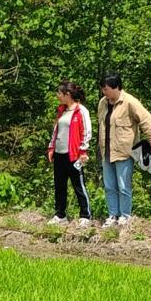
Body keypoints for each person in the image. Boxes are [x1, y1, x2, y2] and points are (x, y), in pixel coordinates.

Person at [97, 73, 151, 228]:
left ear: (116, 87)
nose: (104, 92)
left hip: (124, 152)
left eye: (106, 89)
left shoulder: (130, 102)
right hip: (107, 152)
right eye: (103, 89)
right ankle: (112, 215)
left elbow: (146, 120)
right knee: (109, 186)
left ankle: (125, 217)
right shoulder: (102, 103)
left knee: (123, 186)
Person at [46, 81, 93, 227]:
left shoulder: (81, 111)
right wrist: (51, 147)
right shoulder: (62, 111)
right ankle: (60, 215)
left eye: (59, 93)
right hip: (59, 154)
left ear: (68, 94)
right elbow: (56, 130)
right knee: (59, 185)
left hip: (73, 154)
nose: (57, 96)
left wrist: (83, 150)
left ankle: (85, 215)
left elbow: (86, 131)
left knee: (78, 184)